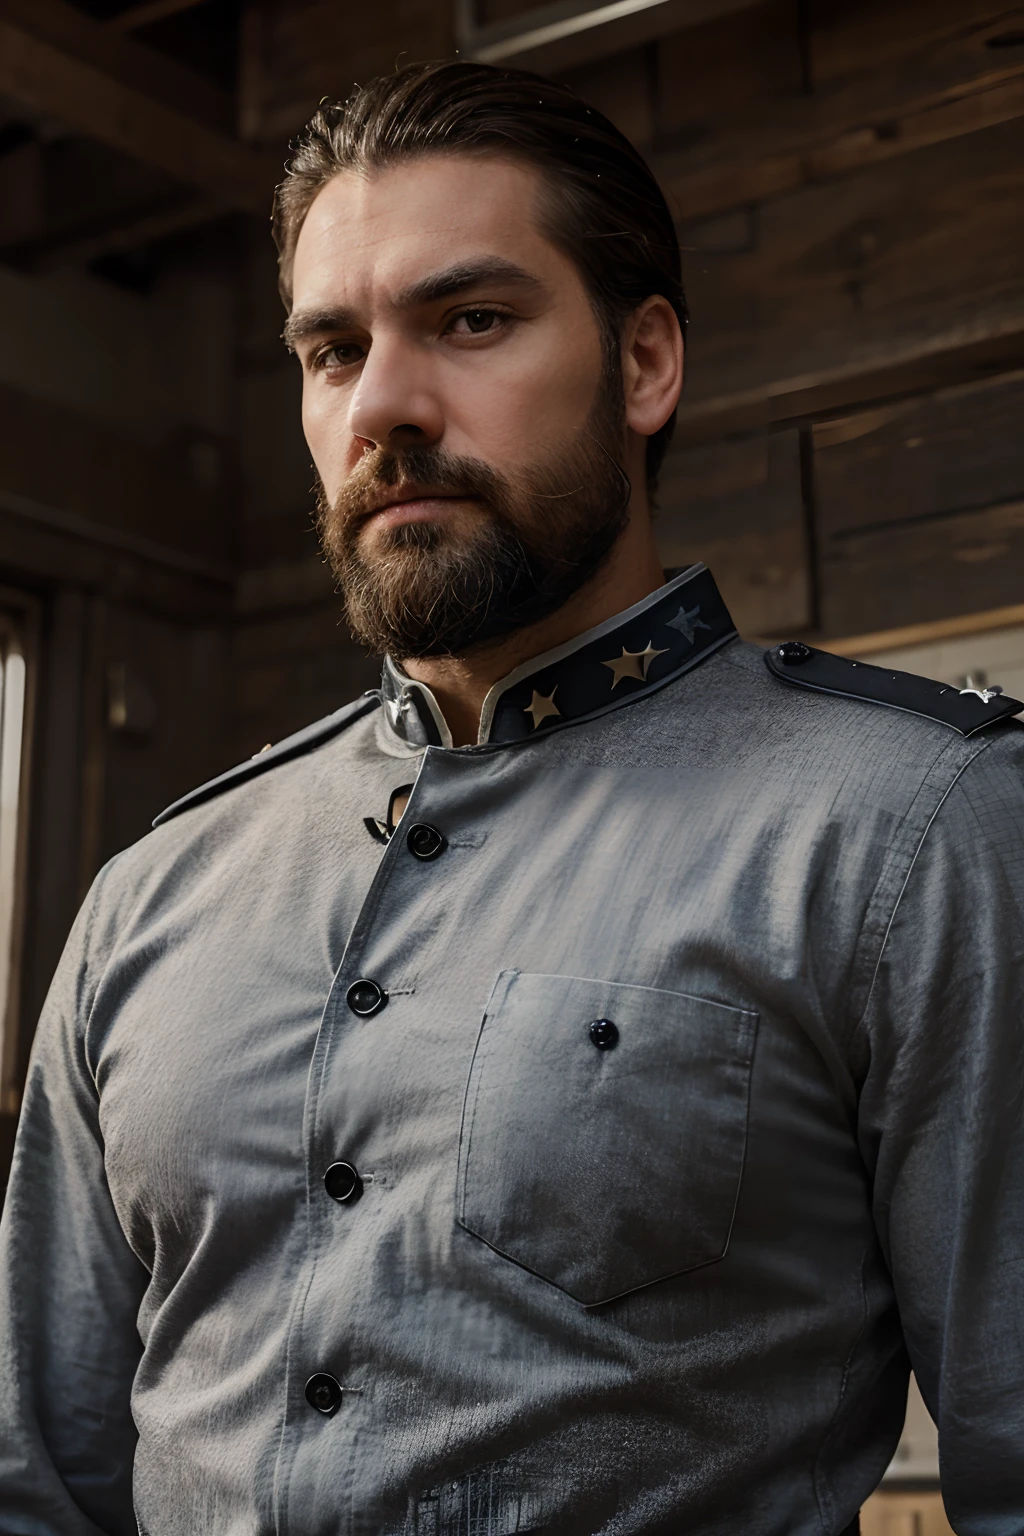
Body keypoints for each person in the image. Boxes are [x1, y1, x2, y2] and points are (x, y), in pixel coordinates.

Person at [1, 59, 1022, 1536]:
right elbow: (38, 1483)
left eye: (471, 320)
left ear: (645, 362)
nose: (387, 406)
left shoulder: (919, 829)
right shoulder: (148, 897)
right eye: (332, 349)